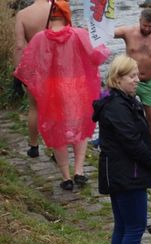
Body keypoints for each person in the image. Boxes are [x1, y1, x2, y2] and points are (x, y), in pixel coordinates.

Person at [14, 0, 109, 190]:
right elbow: (98, 55)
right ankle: (79, 171)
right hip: (76, 87)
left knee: (57, 129)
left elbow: (27, 63)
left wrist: (22, 79)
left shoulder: (40, 38)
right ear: (67, 15)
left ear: (51, 16)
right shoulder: (79, 34)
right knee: (80, 127)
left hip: (52, 90)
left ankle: (66, 177)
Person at [92, 55, 151, 244]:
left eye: (137, 75)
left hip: (119, 171)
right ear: (118, 78)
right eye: (132, 76)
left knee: (122, 224)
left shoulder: (116, 99)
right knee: (134, 227)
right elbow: (132, 141)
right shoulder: (118, 107)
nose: (137, 80)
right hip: (127, 173)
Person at [114, 8, 151, 138]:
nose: (146, 29)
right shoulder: (127, 32)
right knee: (120, 116)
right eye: (144, 25)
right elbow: (106, 33)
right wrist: (90, 29)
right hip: (128, 81)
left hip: (148, 83)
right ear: (139, 20)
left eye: (150, 26)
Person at [13, 0, 51, 158]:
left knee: (34, 107)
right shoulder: (58, 10)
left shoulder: (23, 14)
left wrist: (17, 73)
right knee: (57, 108)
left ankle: (34, 146)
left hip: (35, 66)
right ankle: (57, 148)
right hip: (56, 64)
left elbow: (19, 46)